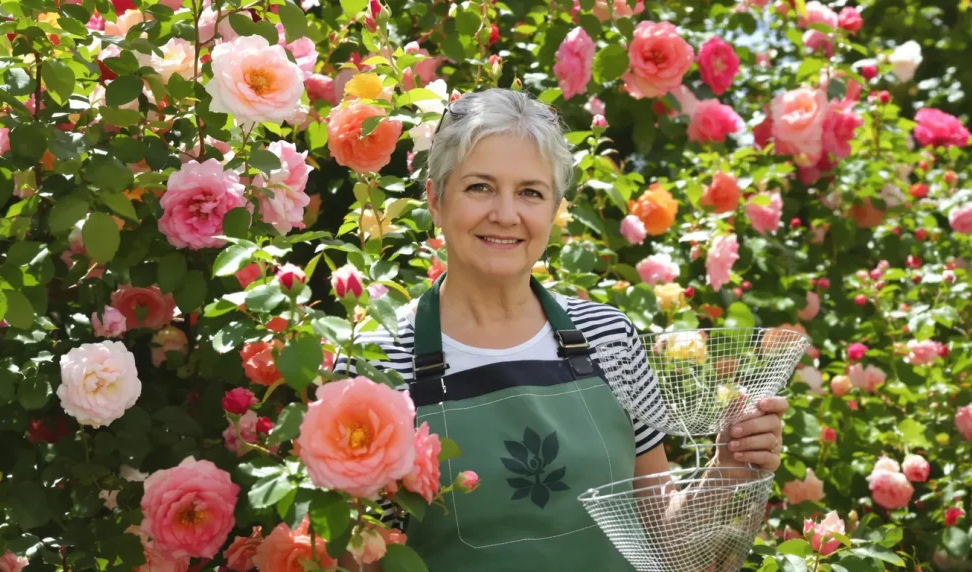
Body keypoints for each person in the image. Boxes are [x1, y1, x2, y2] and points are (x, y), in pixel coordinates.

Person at [337, 88, 788, 571]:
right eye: (480, 187)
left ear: (553, 210)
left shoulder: (609, 337)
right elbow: (363, 555)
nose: (506, 214)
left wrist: (726, 469)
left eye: (530, 192)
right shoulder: (376, 360)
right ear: (436, 198)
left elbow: (661, 537)